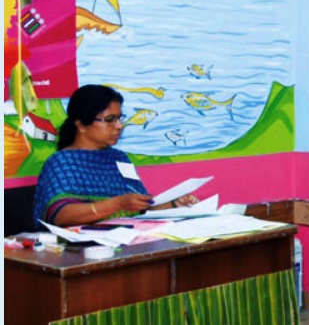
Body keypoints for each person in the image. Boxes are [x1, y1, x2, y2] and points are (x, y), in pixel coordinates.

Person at [33, 84, 200, 227]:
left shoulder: (119, 159)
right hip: (82, 247)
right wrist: (117, 204)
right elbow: (60, 215)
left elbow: (141, 208)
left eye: (120, 118)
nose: (119, 126)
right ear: (81, 125)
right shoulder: (61, 163)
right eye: (110, 119)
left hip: (128, 240)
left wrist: (173, 204)